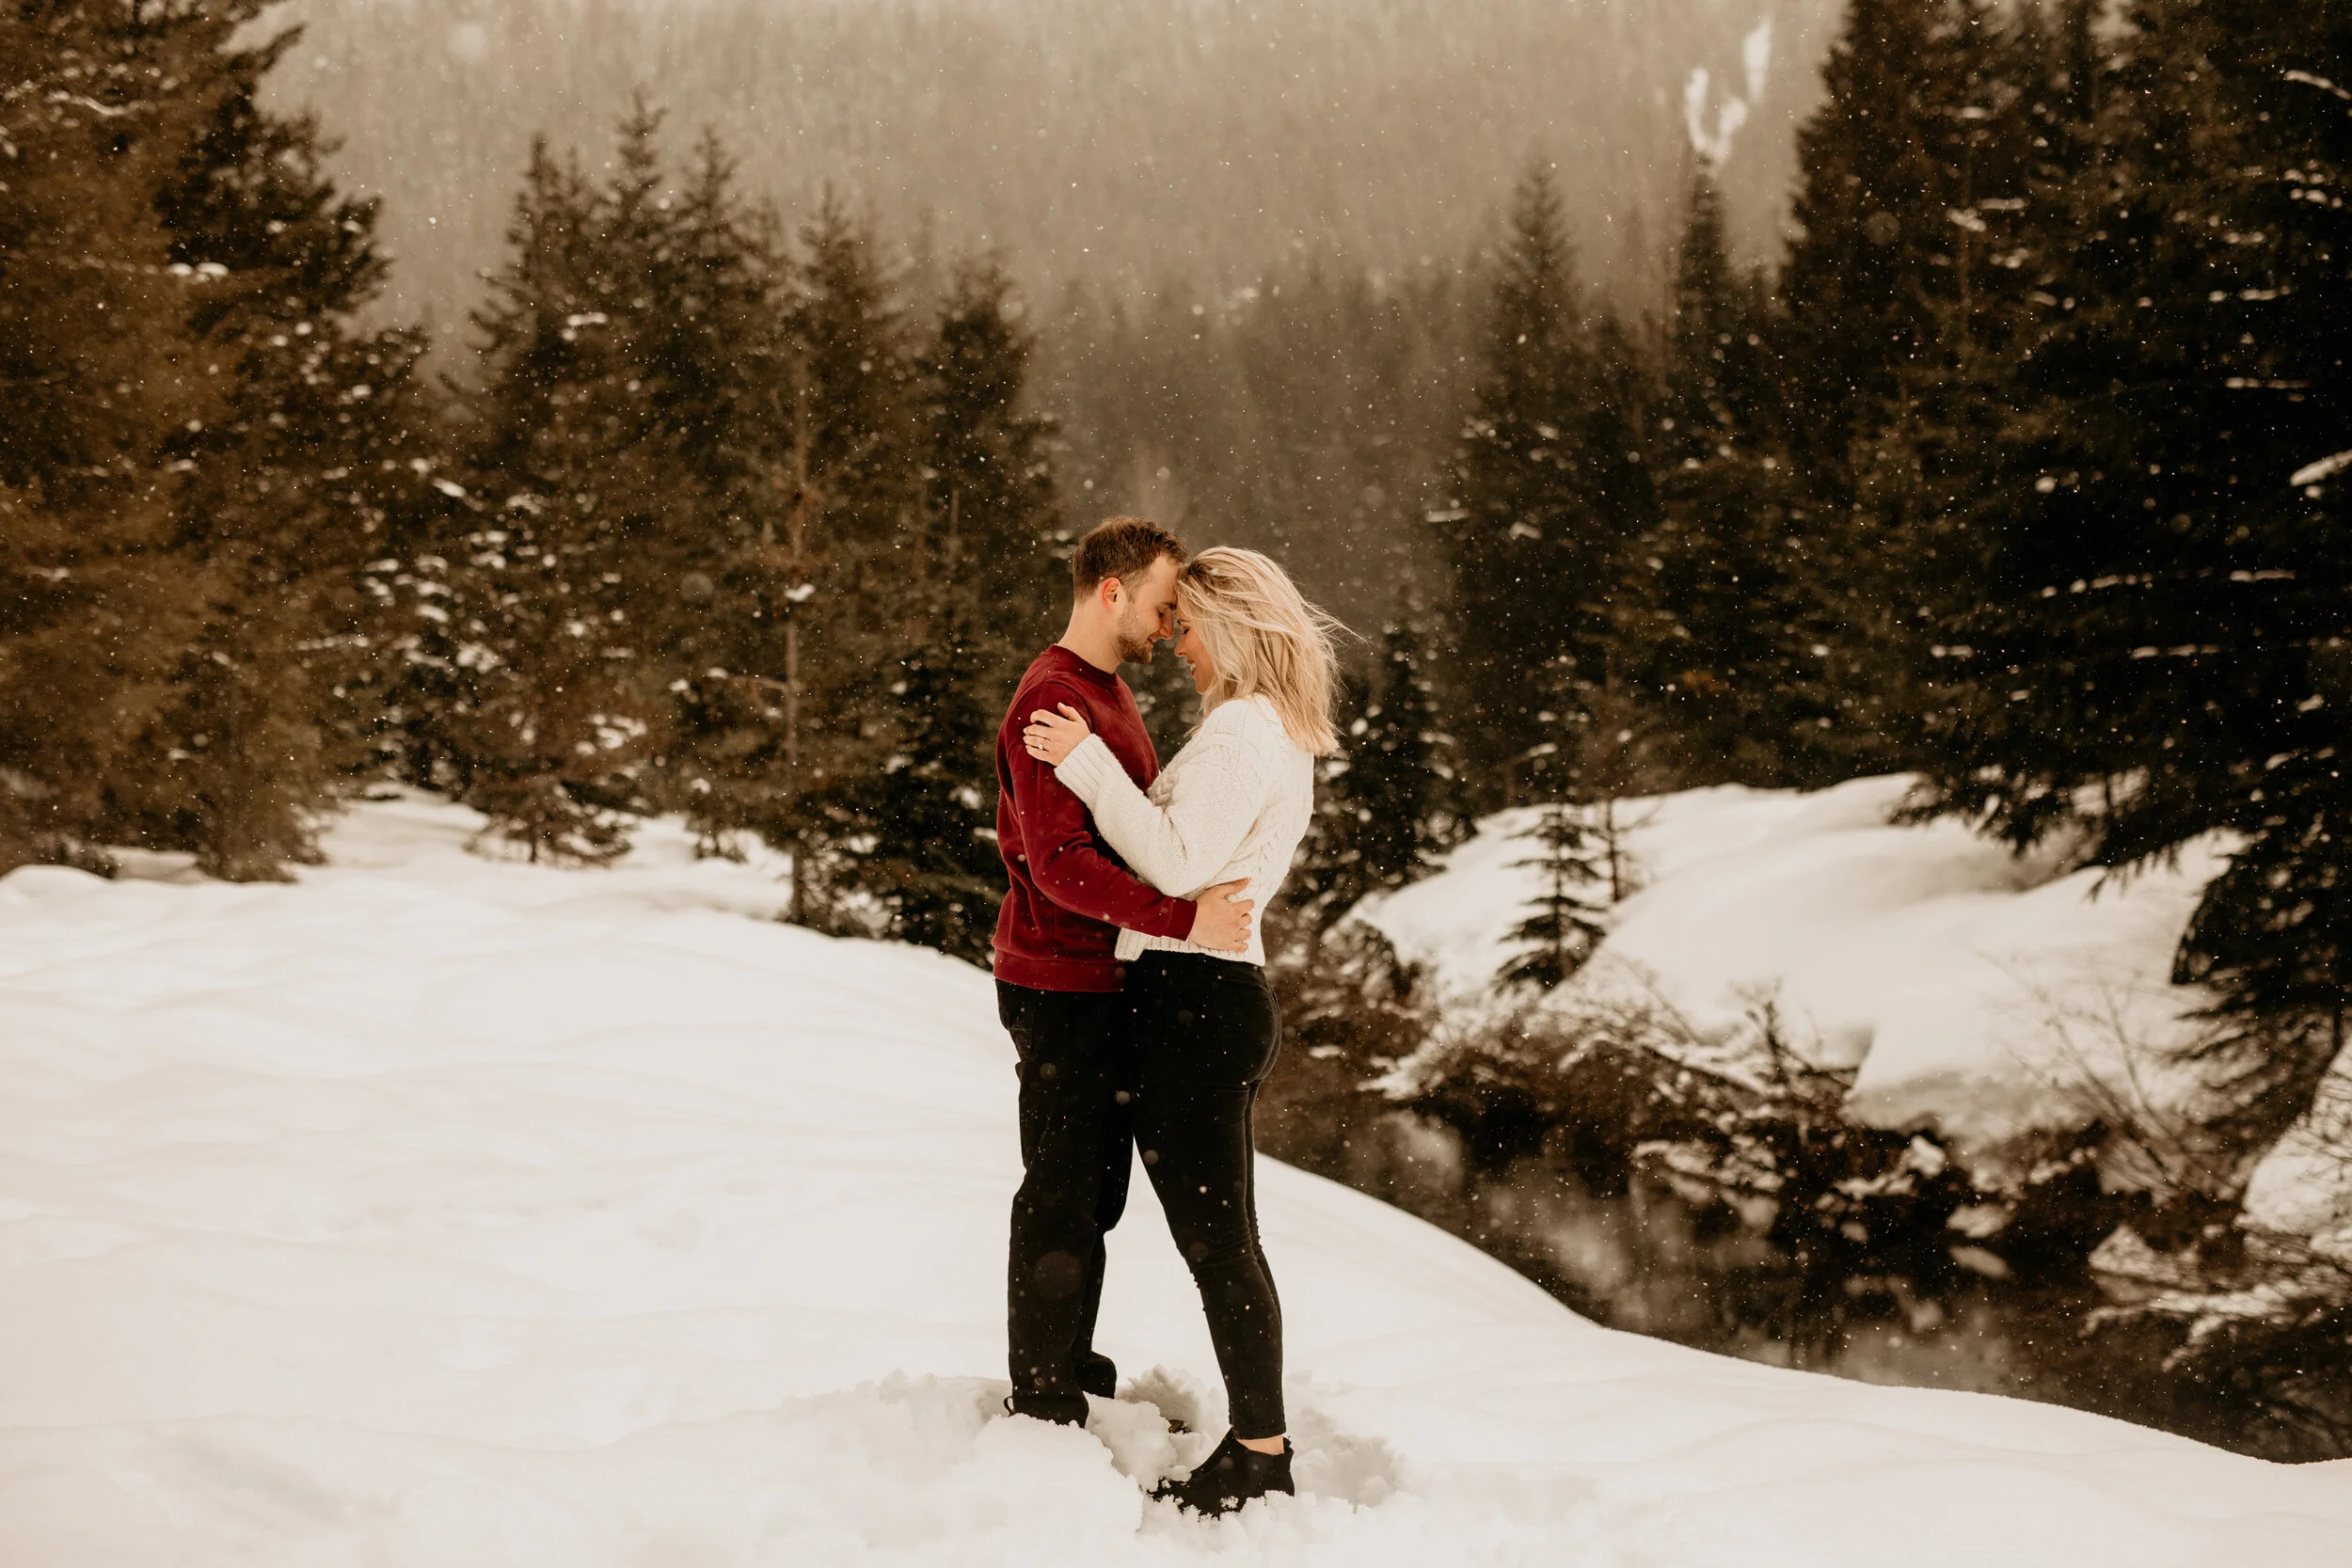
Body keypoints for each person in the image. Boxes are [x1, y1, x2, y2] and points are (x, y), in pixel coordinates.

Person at [1022, 545, 1342, 1516]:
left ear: (1234, 627)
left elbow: (1172, 861)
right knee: (1222, 1237)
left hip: (1194, 1007)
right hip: (1199, 1002)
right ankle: (1258, 1440)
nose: (1182, 648)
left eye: (1191, 628)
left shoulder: (1245, 729)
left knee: (1218, 1243)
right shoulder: (1262, 727)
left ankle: (1259, 1450)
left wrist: (1081, 760)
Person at [990, 516, 1257, 1431]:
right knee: (1061, 1188)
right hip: (1058, 981)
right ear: (1112, 591)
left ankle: (1068, 1359)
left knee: (1092, 1190)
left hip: (1095, 980)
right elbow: (1060, 862)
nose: (1165, 623)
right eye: (1158, 604)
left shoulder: (1101, 692)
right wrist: (1185, 918)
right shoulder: (1051, 699)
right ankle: (1042, 1393)